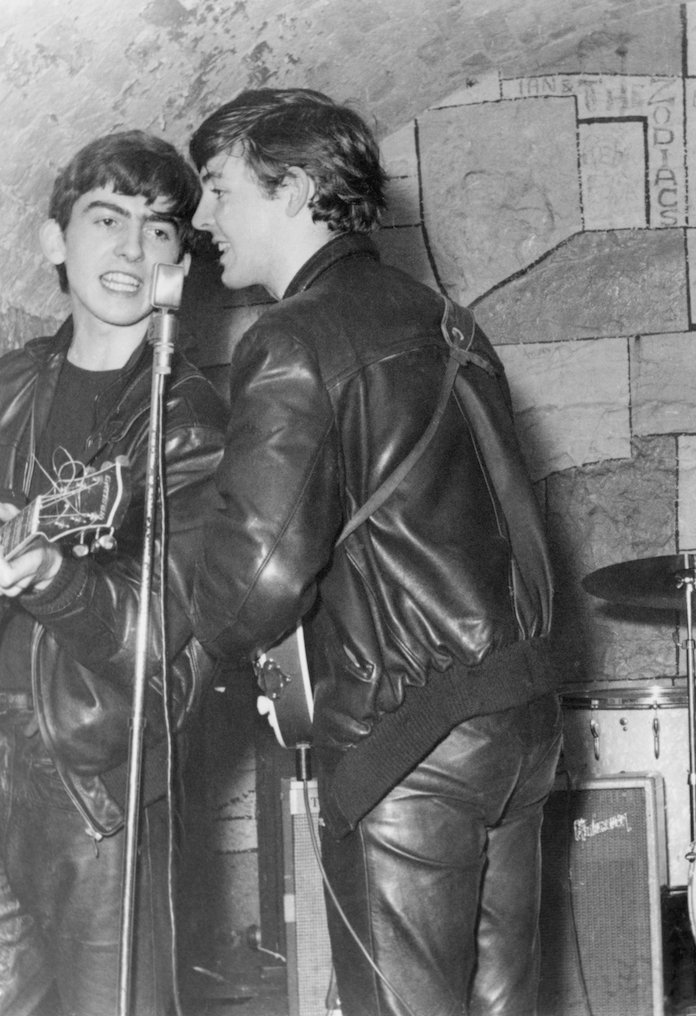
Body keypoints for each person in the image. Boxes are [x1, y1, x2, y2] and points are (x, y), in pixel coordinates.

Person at [186, 89, 561, 1016]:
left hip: (411, 745)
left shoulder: (294, 335)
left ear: (297, 188)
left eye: (218, 188)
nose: (200, 220)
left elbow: (255, 586)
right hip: (517, 724)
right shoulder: (447, 320)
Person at [0, 131, 227, 1016]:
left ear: (179, 265)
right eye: (106, 218)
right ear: (53, 241)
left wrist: (50, 575)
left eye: (159, 231)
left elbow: (152, 636)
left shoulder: (186, 420)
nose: (130, 248)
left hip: (95, 776)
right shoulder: (8, 386)